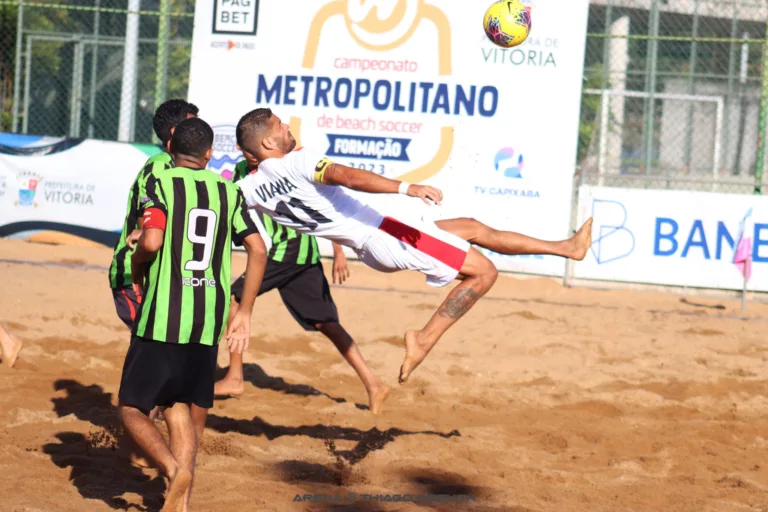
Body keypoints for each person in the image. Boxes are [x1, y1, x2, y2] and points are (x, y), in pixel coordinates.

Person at [234, 108, 593, 385]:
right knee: (485, 272)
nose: (287, 128)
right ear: (267, 143)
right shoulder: (298, 161)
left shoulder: (248, 189)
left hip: (378, 240)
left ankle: (566, 248)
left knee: (472, 228)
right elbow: (349, 177)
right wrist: (408, 187)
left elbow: (243, 225)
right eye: (280, 125)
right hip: (389, 234)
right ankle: (423, 339)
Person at [118, 118, 267, 512]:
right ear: (208, 155)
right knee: (180, 405)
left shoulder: (161, 183)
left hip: (164, 314)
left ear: (170, 150)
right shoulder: (229, 191)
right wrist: (246, 310)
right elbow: (258, 249)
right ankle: (181, 504)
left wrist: (137, 265)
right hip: (209, 317)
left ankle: (171, 468)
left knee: (131, 406)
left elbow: (151, 239)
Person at [215, 156, 390, 414]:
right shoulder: (242, 171)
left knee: (234, 300)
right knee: (326, 324)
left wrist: (338, 251)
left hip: (289, 250)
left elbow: (322, 202)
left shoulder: (285, 164)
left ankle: (235, 377)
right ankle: (374, 385)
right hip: (297, 254)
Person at [108, 99, 199, 329]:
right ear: (175, 132)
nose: (200, 132)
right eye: (193, 126)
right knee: (148, 346)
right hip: (135, 277)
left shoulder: (184, 168)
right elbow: (147, 229)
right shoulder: (161, 167)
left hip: (164, 275)